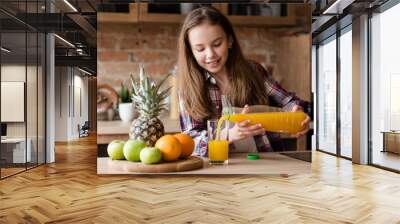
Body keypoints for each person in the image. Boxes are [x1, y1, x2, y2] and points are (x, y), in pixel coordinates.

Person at [176, 6, 311, 157]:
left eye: (216, 44)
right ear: (191, 52)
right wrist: (227, 135)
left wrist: (297, 113)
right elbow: (189, 140)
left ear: (230, 41)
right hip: (219, 167)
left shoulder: (254, 71)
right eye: (200, 49)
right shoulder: (188, 88)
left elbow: (289, 101)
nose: (210, 55)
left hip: (266, 162)